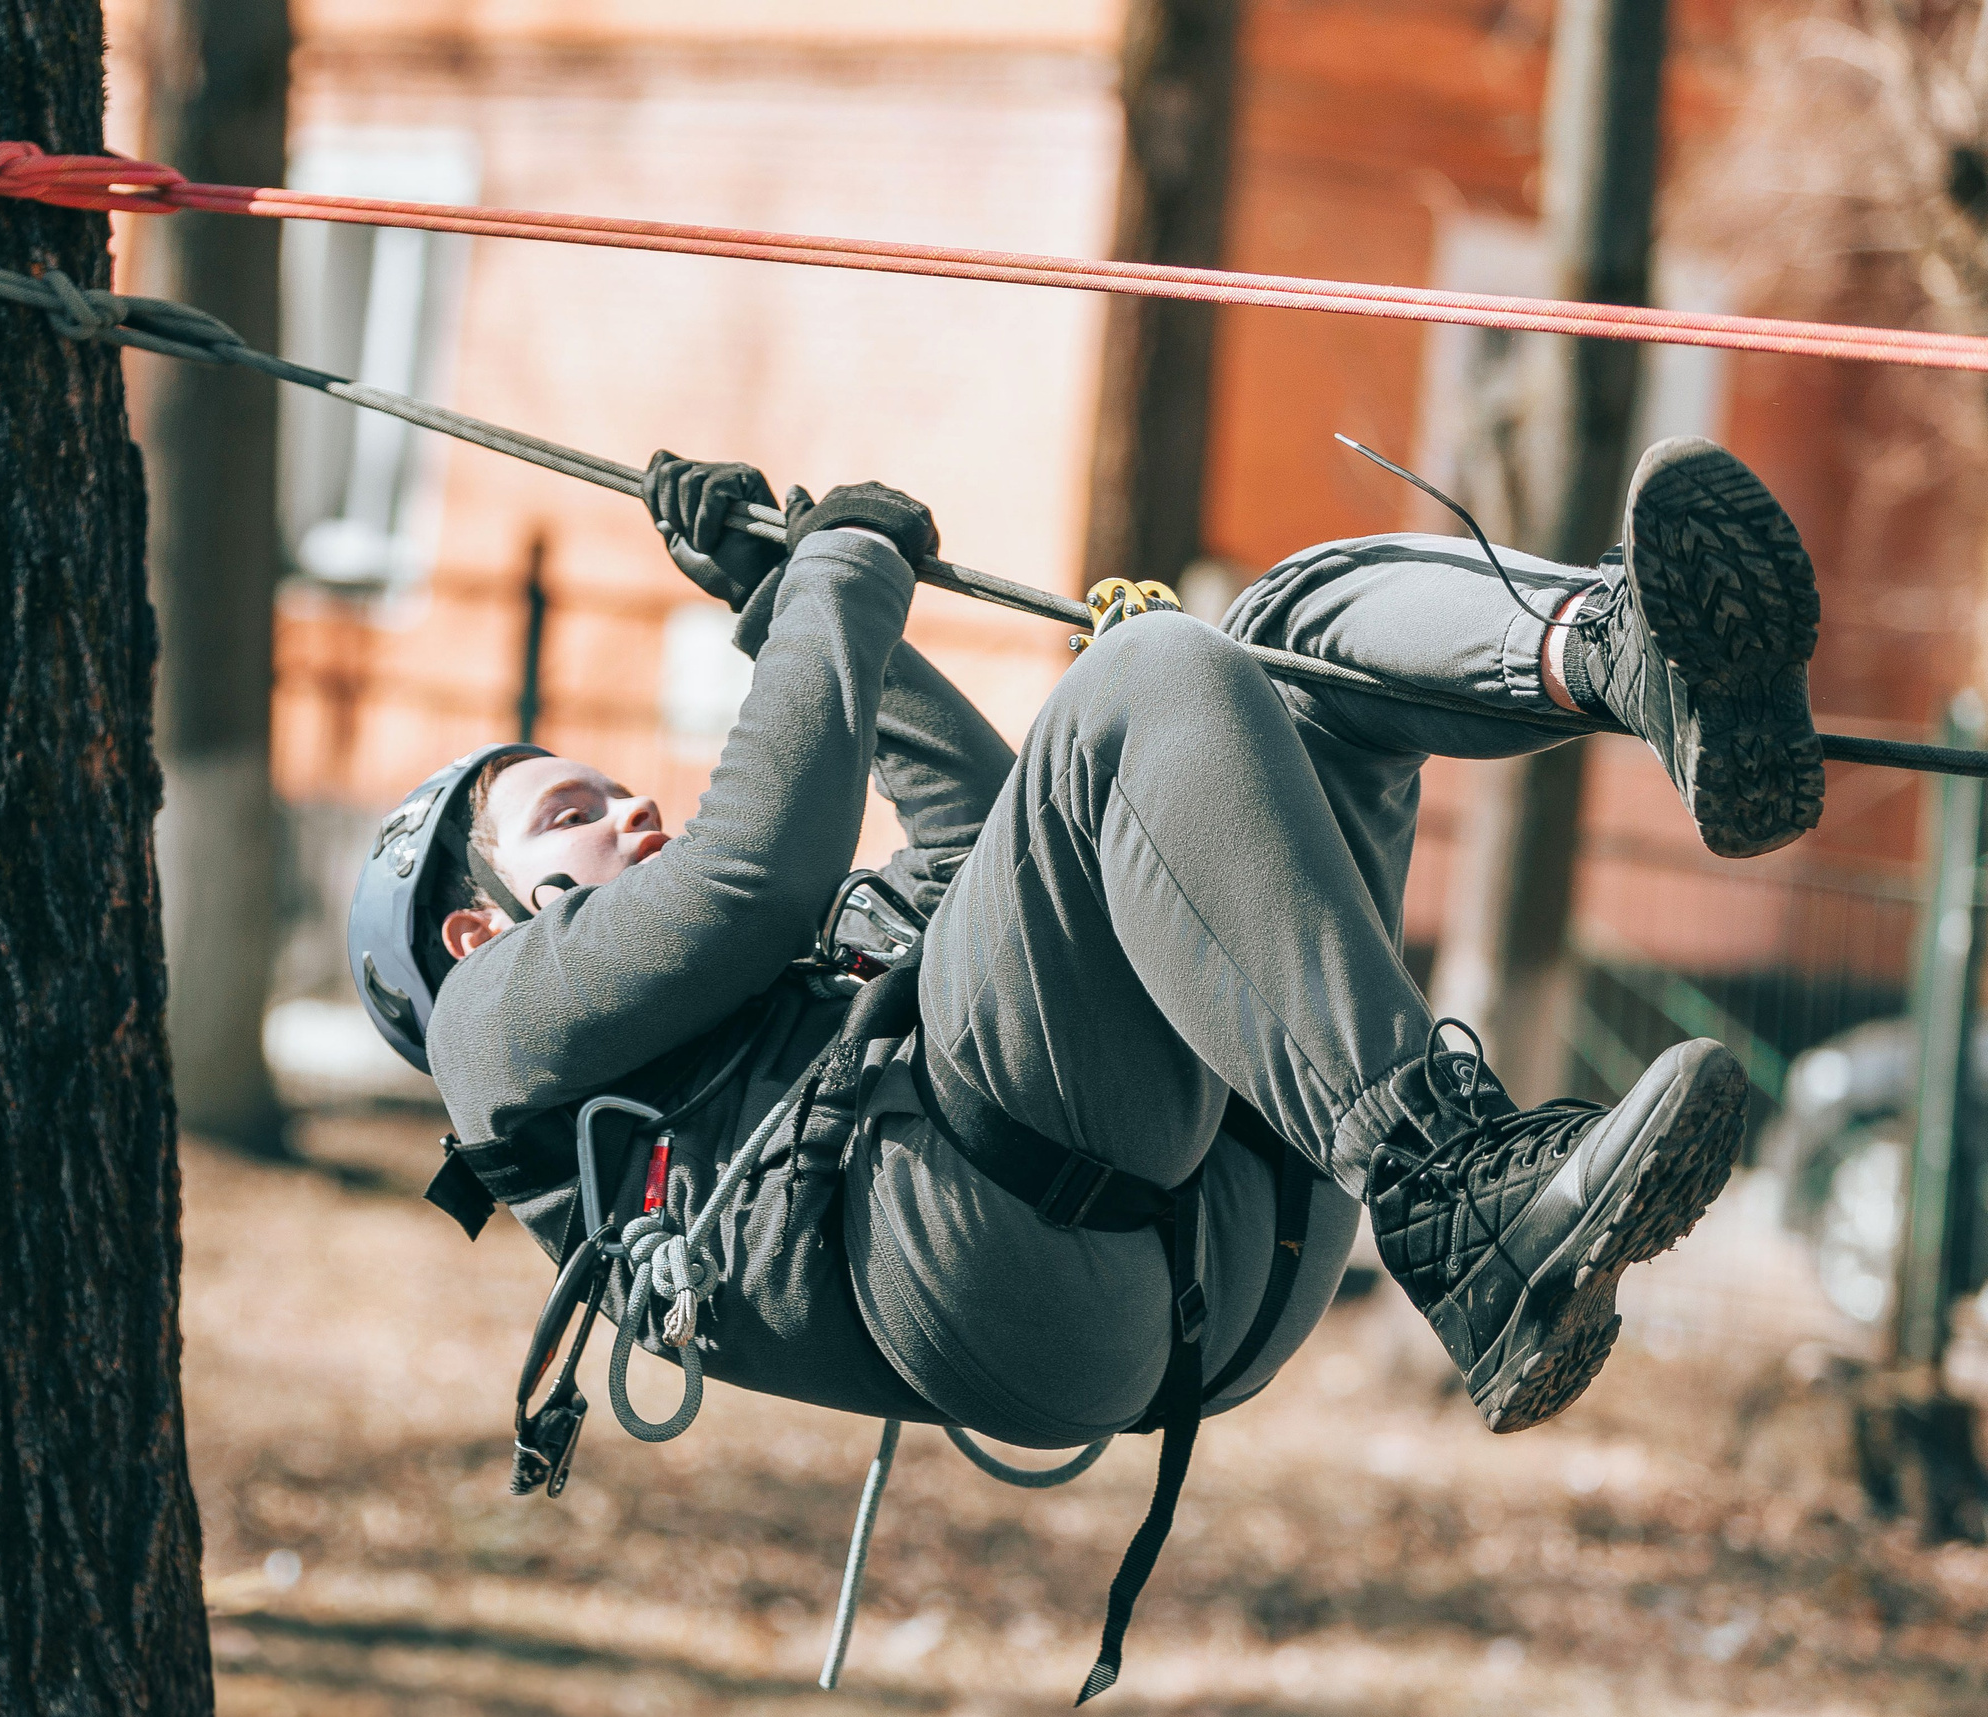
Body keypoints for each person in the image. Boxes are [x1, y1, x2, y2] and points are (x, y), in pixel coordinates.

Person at [354, 439, 1820, 1476]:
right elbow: (757, 868)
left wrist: (776, 592)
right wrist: (839, 573)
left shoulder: (766, 991)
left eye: (615, 789)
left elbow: (988, 835)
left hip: (1209, 1225)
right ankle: (1455, 1194)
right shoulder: (494, 1029)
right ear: (473, 926)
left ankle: (1623, 655)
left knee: (1285, 637)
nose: (631, 809)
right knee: (1147, 673)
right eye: (572, 814)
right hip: (1012, 1270)